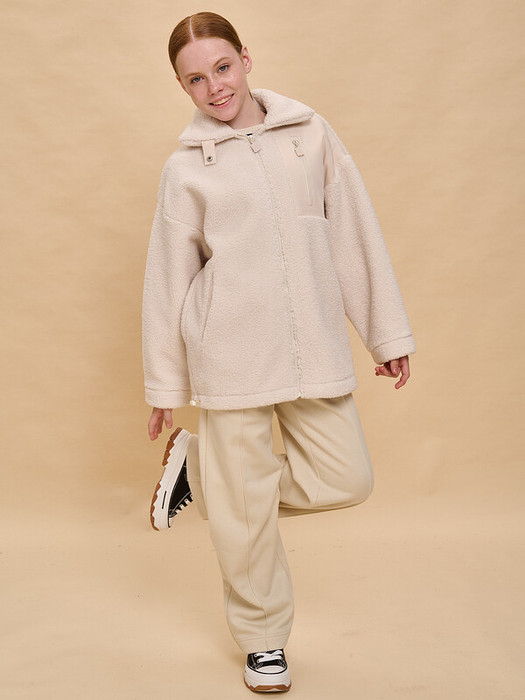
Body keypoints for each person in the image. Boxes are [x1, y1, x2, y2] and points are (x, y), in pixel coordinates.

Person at [142, 11, 415, 694]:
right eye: (195, 79)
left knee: (346, 477)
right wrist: (164, 388)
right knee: (241, 513)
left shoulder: (309, 135)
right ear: (182, 87)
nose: (214, 87)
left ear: (246, 58)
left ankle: (199, 473)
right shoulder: (184, 169)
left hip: (311, 344)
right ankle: (263, 642)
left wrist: (384, 334)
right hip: (228, 354)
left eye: (222, 67)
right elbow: (167, 280)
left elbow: (352, 231)